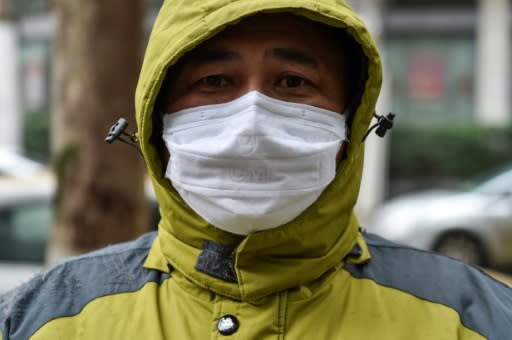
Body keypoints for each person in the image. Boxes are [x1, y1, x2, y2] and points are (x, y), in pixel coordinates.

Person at [1, 0, 511, 339]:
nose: (252, 122)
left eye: (291, 82)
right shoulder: (43, 321)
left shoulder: (472, 320)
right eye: (216, 80)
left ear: (352, 124)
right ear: (157, 122)